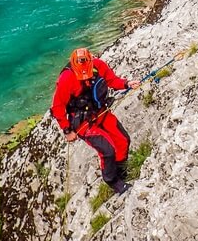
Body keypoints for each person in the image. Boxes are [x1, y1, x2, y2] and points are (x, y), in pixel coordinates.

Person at [51, 47, 140, 194]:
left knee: (123, 140)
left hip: (101, 113)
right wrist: (67, 130)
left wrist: (126, 84)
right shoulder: (67, 78)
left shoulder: (98, 65)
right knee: (108, 150)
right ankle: (112, 181)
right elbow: (58, 107)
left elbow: (111, 80)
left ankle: (120, 171)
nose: (85, 77)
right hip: (83, 123)